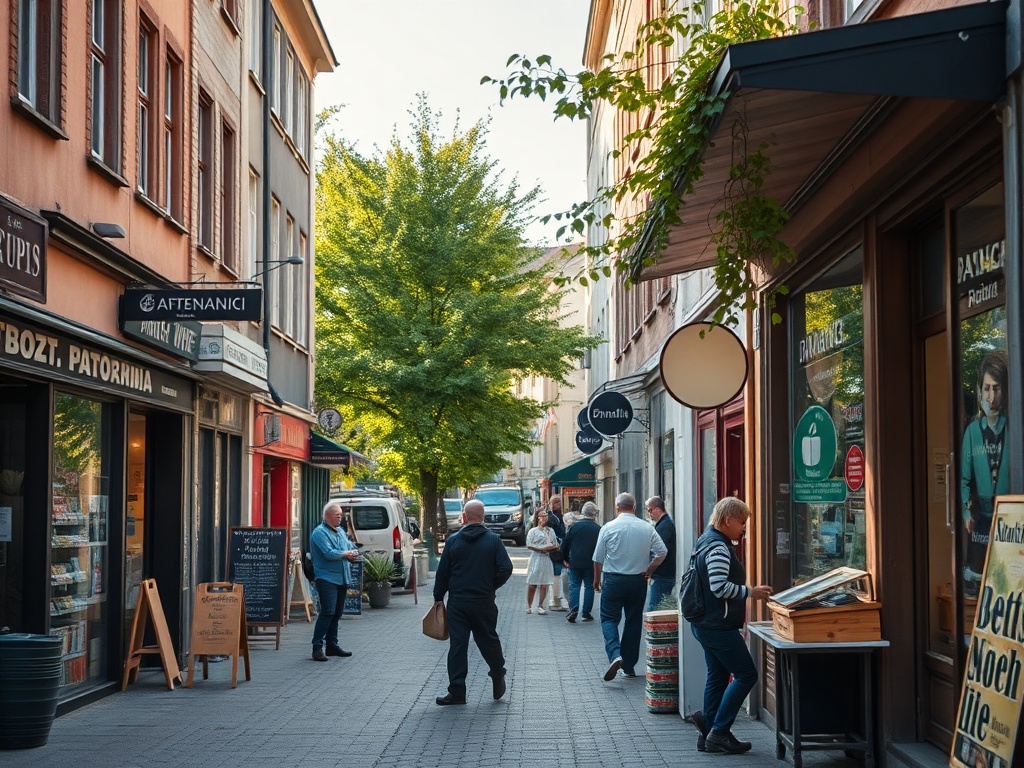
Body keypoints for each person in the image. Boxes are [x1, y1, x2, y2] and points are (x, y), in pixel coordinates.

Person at [689, 497, 773, 755]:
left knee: (717, 675)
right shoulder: (718, 547)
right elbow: (719, 587)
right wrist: (752, 592)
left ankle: (709, 734)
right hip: (717, 625)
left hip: (705, 623)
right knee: (747, 675)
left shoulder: (706, 540)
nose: (744, 527)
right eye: (742, 522)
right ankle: (719, 732)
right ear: (728, 520)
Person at [432, 499, 513, 705]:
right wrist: (491, 586)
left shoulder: (453, 541)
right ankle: (497, 671)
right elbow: (506, 568)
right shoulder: (493, 540)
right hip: (483, 600)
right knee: (488, 639)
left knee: (458, 645)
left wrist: (438, 596)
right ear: (483, 517)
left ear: (464, 517)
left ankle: (457, 691)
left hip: (458, 601)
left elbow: (443, 572)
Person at [593, 492, 668, 681]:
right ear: (634, 508)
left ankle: (615, 654)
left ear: (617, 507)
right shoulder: (646, 527)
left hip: (613, 580)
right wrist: (649, 570)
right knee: (633, 621)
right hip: (637, 580)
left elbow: (598, 557)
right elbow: (662, 551)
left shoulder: (608, 527)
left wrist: (596, 579)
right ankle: (629, 665)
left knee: (609, 618)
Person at [961, 349, 1009, 594]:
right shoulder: (972, 432)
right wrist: (965, 512)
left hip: (1009, 520)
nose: (991, 397)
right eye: (987, 388)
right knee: (980, 579)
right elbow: (963, 478)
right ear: (980, 389)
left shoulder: (1013, 428)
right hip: (980, 521)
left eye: (997, 389)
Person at [309, 503, 362, 662]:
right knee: (328, 612)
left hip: (342, 577)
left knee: (337, 613)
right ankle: (317, 647)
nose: (339, 517)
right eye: (335, 514)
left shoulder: (340, 531)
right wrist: (346, 554)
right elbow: (329, 553)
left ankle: (332, 645)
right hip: (326, 578)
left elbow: (351, 547)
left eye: (340, 514)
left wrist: (353, 553)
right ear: (327, 516)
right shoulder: (319, 533)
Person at [561, 501, 601, 623]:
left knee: (574, 586)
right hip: (591, 563)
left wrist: (565, 559)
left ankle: (574, 609)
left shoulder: (574, 526)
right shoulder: (598, 528)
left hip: (575, 562)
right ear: (594, 514)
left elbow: (565, 544)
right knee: (589, 587)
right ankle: (586, 613)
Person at [645, 496, 677, 611]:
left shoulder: (664, 526)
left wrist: (649, 571)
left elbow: (660, 552)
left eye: (650, 510)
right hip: (663, 574)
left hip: (662, 575)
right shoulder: (664, 524)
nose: (649, 513)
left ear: (657, 509)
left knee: (655, 609)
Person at [525, 509, 559, 613]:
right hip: (536, 558)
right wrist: (540, 549)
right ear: (537, 518)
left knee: (545, 583)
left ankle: (540, 605)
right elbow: (529, 544)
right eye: (542, 516)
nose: (544, 518)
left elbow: (555, 544)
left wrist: (550, 547)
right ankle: (529, 606)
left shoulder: (550, 530)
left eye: (545, 516)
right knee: (533, 583)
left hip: (546, 558)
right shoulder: (533, 531)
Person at [546, 495, 568, 610]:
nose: (558, 505)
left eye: (559, 503)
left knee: (557, 573)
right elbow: (552, 534)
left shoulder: (555, 516)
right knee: (556, 573)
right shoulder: (553, 517)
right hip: (555, 549)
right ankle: (555, 600)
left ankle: (555, 599)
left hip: (556, 547)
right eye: (556, 503)